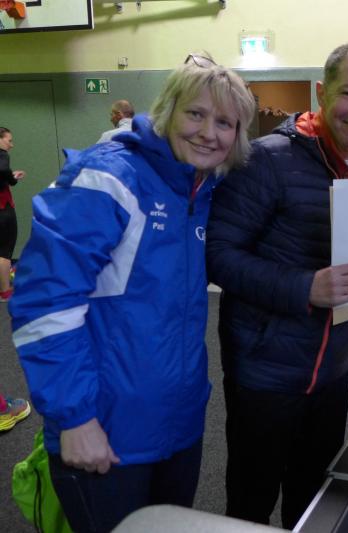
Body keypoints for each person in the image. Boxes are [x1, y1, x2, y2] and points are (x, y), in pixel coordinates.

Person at [9, 53, 255, 533]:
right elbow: (44, 303)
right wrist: (75, 418)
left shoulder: (203, 190)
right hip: (104, 432)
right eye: (196, 113)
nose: (209, 132)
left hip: (179, 427)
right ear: (168, 110)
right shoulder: (109, 178)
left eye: (225, 122)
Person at [205, 42, 348, 529]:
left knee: (313, 501)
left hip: (334, 373)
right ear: (322, 93)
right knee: (251, 504)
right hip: (266, 373)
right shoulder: (265, 159)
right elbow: (217, 256)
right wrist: (304, 288)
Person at [0, 126, 24, 302]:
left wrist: (10, 177)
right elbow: (2, 169)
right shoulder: (2, 155)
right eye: (9, 140)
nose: (11, 145)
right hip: (3, 209)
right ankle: (5, 291)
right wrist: (12, 178)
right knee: (4, 251)